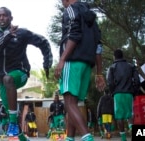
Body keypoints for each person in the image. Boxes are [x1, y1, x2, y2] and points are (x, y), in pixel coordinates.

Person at [0, 7, 53, 140]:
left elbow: (43, 42)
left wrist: (47, 64)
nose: (1, 18)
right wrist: (7, 36)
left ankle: (12, 125)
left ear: (11, 18)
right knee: (12, 112)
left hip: (20, 72)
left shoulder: (22, 33)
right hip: (2, 80)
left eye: (5, 15)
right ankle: (22, 137)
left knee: (9, 78)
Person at [54, 0, 106, 141]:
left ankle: (87, 137)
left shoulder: (70, 9)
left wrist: (63, 59)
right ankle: (69, 138)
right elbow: (98, 46)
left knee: (69, 103)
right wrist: (99, 73)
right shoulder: (91, 16)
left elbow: (74, 34)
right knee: (73, 104)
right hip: (87, 65)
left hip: (73, 60)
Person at [106, 49, 140, 141]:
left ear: (114, 56)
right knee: (130, 114)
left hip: (118, 94)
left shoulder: (112, 67)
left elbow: (110, 82)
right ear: (122, 56)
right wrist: (135, 92)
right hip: (129, 93)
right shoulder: (131, 66)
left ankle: (124, 138)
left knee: (120, 116)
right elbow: (137, 80)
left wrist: (112, 92)